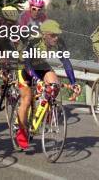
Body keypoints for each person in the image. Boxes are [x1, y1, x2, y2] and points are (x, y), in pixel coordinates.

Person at [15, 20, 79, 150]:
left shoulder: (59, 42)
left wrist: (73, 82)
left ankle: (42, 111)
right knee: (26, 99)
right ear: (44, 34)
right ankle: (21, 129)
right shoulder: (33, 42)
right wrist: (38, 80)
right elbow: (27, 65)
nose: (56, 38)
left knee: (54, 85)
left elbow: (66, 62)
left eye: (57, 35)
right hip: (25, 67)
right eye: (53, 35)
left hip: (40, 65)